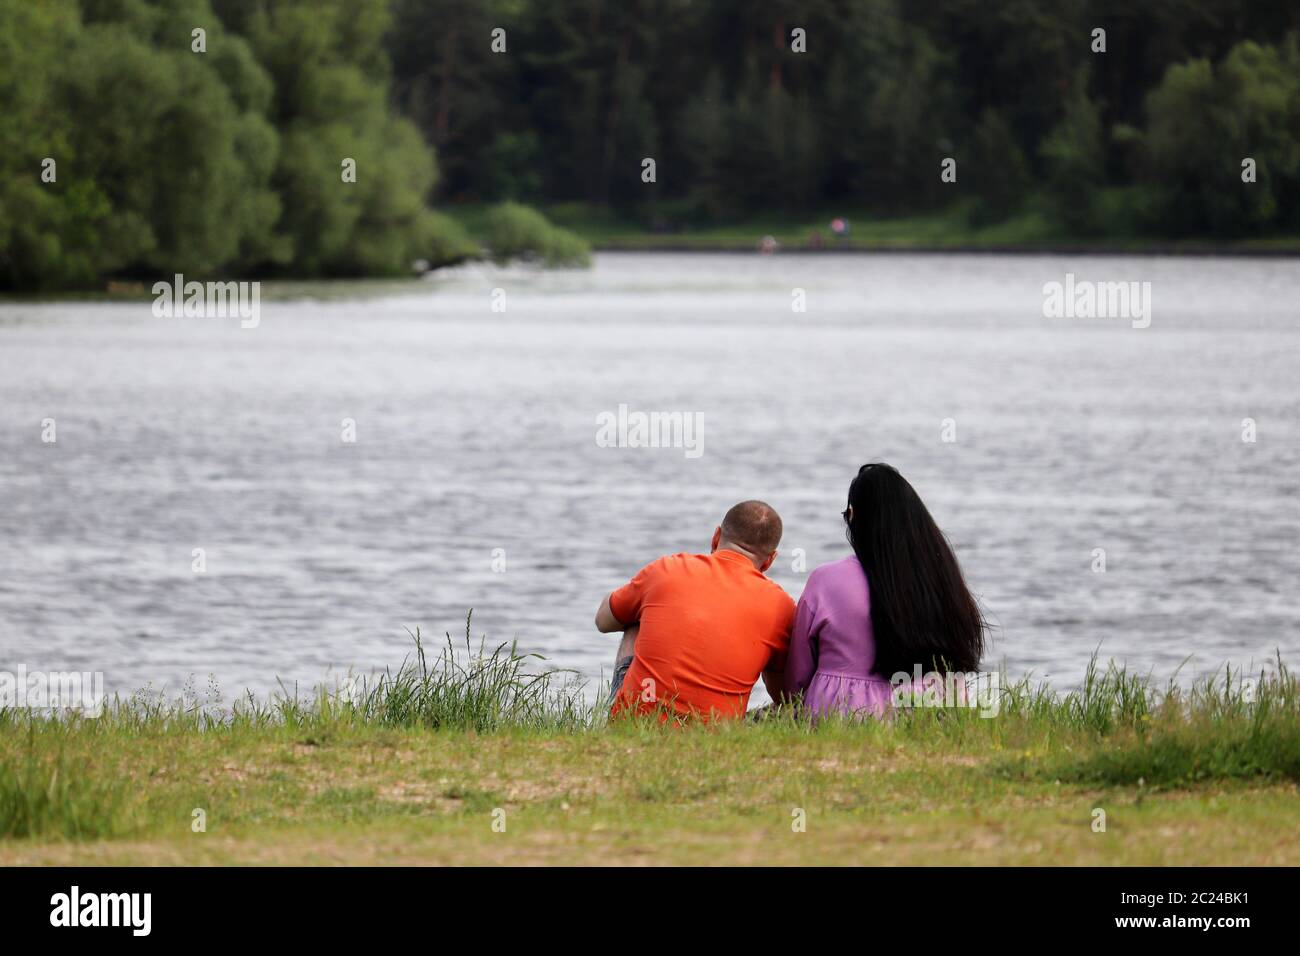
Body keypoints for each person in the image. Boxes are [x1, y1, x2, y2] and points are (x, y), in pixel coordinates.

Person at [785, 464, 985, 719]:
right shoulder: (943, 576)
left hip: (844, 713)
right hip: (932, 711)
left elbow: (796, 679)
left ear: (854, 515)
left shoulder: (826, 580)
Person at [595, 500, 795, 722]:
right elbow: (783, 695)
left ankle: (623, 714)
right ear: (769, 560)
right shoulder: (781, 606)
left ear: (716, 537)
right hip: (714, 735)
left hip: (633, 723)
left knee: (635, 615)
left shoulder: (666, 569)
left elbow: (603, 621)